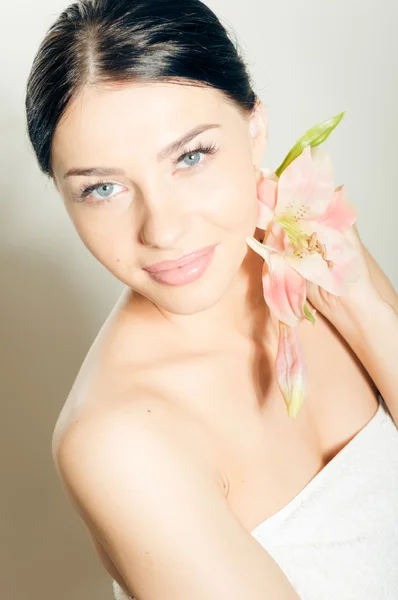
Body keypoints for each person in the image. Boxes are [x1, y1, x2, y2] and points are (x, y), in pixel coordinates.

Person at [25, 1, 398, 598]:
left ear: (255, 130)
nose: (163, 229)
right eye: (103, 188)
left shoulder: (312, 242)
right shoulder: (117, 441)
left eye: (191, 157)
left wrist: (368, 316)